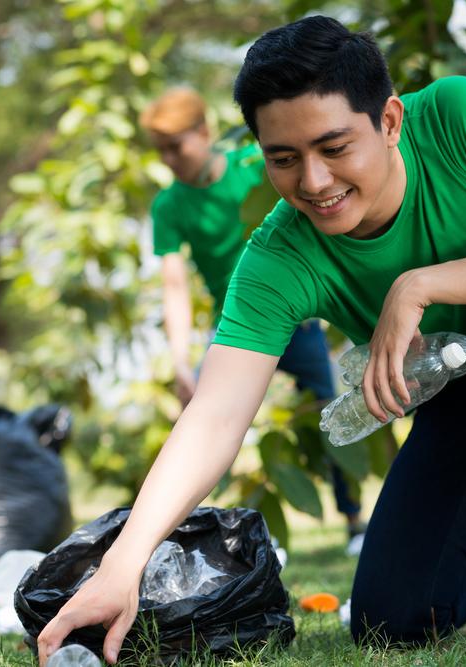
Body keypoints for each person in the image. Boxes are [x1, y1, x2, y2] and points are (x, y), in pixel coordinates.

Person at [37, 16, 466, 664]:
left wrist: (416, 285)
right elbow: (216, 415)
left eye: (334, 147)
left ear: (389, 121)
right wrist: (123, 562)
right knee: (391, 614)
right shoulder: (280, 254)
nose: (313, 181)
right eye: (284, 158)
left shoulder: (456, 116)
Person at [140, 86, 366, 537]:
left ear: (204, 133)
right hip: (239, 327)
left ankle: (354, 521)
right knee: (201, 421)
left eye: (175, 147)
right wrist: (182, 360)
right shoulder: (169, 205)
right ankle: (183, 531)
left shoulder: (253, 167)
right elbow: (174, 283)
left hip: (297, 321)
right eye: (160, 151)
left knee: (332, 412)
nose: (168, 159)